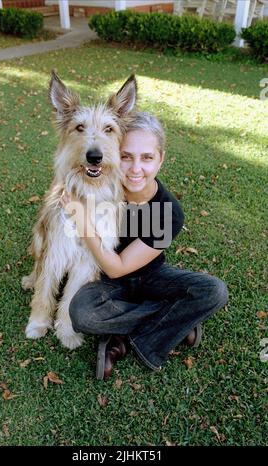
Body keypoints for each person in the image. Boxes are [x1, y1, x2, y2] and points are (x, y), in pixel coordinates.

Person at [65, 112, 228, 381]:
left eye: (147, 158)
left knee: (214, 291)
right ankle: (176, 321)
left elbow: (118, 267)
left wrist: (82, 221)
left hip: (149, 276)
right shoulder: (100, 188)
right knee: (82, 314)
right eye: (126, 156)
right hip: (103, 281)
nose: (135, 168)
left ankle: (124, 341)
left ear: (160, 159)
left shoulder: (169, 212)